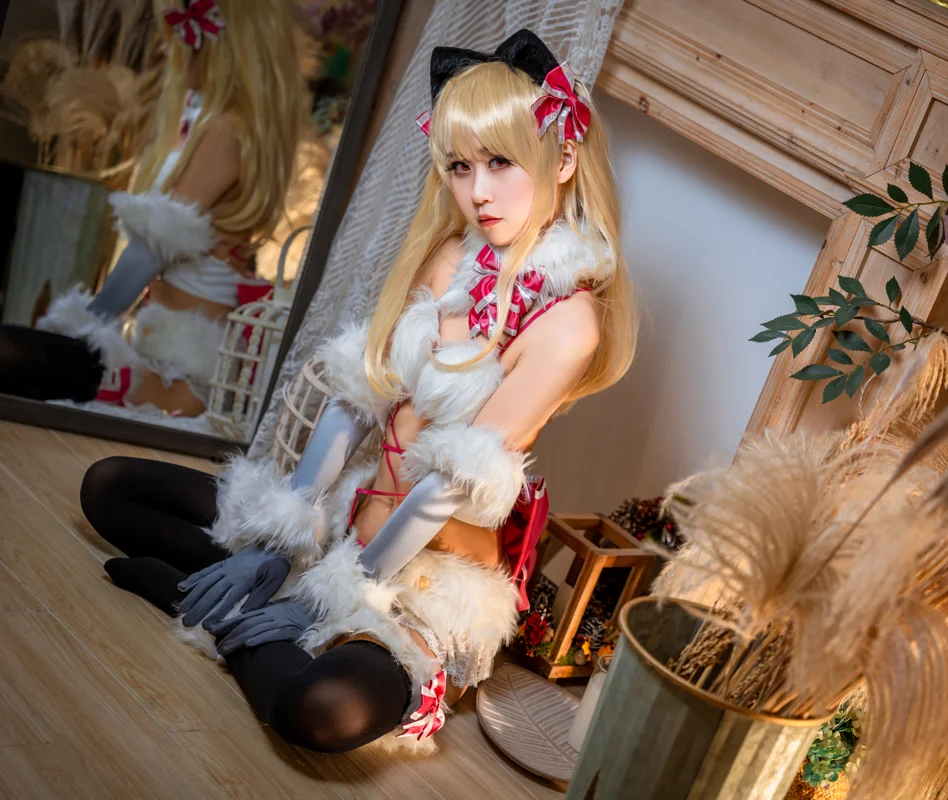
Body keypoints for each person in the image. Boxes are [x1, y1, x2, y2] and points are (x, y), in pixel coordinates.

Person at [83, 29, 637, 753]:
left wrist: (331, 593)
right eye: (460, 166)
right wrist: (285, 534)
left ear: (562, 159)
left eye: (501, 163)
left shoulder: (569, 325)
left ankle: (208, 608)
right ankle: (252, 603)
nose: (477, 192)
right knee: (110, 486)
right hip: (348, 518)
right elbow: (362, 392)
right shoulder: (450, 257)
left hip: (421, 576)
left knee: (321, 711)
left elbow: (449, 483)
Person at [0, 0, 306, 416]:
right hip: (159, 354)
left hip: (175, 373)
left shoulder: (226, 131)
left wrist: (81, 322)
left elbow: (152, 248)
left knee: (13, 354)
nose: (167, 50)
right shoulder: (212, 125)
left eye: (182, 41)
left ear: (221, 46)